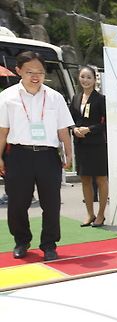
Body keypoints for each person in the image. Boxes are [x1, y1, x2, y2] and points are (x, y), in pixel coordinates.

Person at [0, 51, 74, 261]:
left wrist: (68, 153)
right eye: (29, 71)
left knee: (51, 203)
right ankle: (21, 241)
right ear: (18, 71)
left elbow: (62, 130)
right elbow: (3, 131)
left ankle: (49, 245)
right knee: (17, 203)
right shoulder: (7, 97)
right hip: (18, 155)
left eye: (40, 72)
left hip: (47, 156)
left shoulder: (55, 97)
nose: (35, 76)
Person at [70, 66, 108, 228]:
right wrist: (74, 129)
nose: (85, 80)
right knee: (85, 179)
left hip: (97, 144)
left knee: (101, 179)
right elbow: (70, 119)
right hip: (81, 144)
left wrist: (89, 129)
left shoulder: (101, 99)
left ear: (94, 80)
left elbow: (106, 123)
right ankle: (90, 214)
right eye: (82, 77)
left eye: (89, 77)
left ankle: (101, 215)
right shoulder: (75, 98)